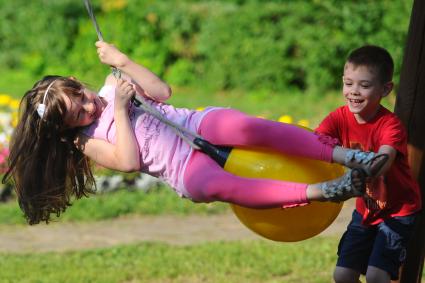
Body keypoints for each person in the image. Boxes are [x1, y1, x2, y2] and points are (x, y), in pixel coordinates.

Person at [4, 41, 386, 226]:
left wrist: (123, 63)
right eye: (78, 116)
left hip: (192, 125)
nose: (89, 109)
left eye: (82, 99)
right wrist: (120, 110)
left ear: (76, 82)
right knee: (222, 186)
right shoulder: (86, 140)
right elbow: (129, 160)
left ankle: (347, 156)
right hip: (181, 168)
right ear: (67, 130)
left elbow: (163, 92)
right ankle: (322, 192)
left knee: (246, 127)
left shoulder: (109, 84)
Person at [315, 45, 422, 283]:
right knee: (342, 275)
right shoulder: (339, 117)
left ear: (385, 89)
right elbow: (314, 143)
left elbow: (382, 163)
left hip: (398, 212)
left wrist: (342, 160)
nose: (353, 91)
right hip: (366, 211)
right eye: (348, 83)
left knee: (376, 276)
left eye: (364, 85)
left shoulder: (390, 125)